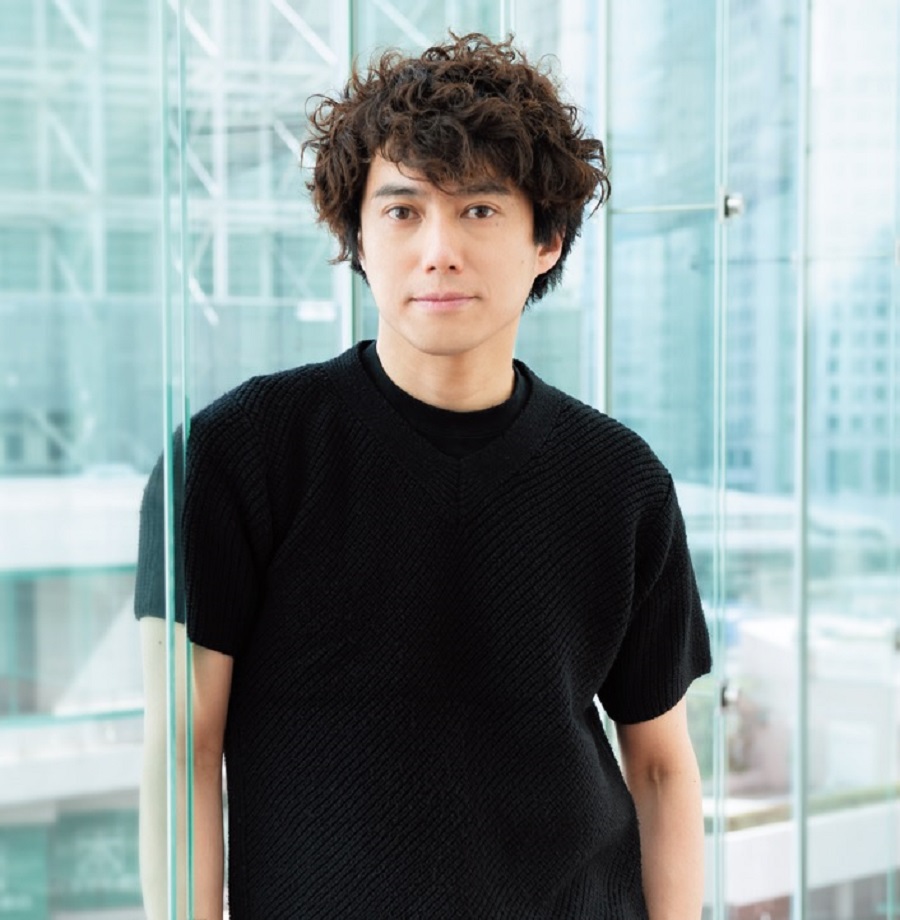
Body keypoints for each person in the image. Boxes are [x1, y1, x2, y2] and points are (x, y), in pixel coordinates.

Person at [136, 32, 712, 920]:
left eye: (479, 209)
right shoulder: (232, 456)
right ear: (359, 239)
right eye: (403, 211)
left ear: (547, 239)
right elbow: (182, 752)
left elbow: (663, 767)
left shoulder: (620, 481)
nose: (438, 249)